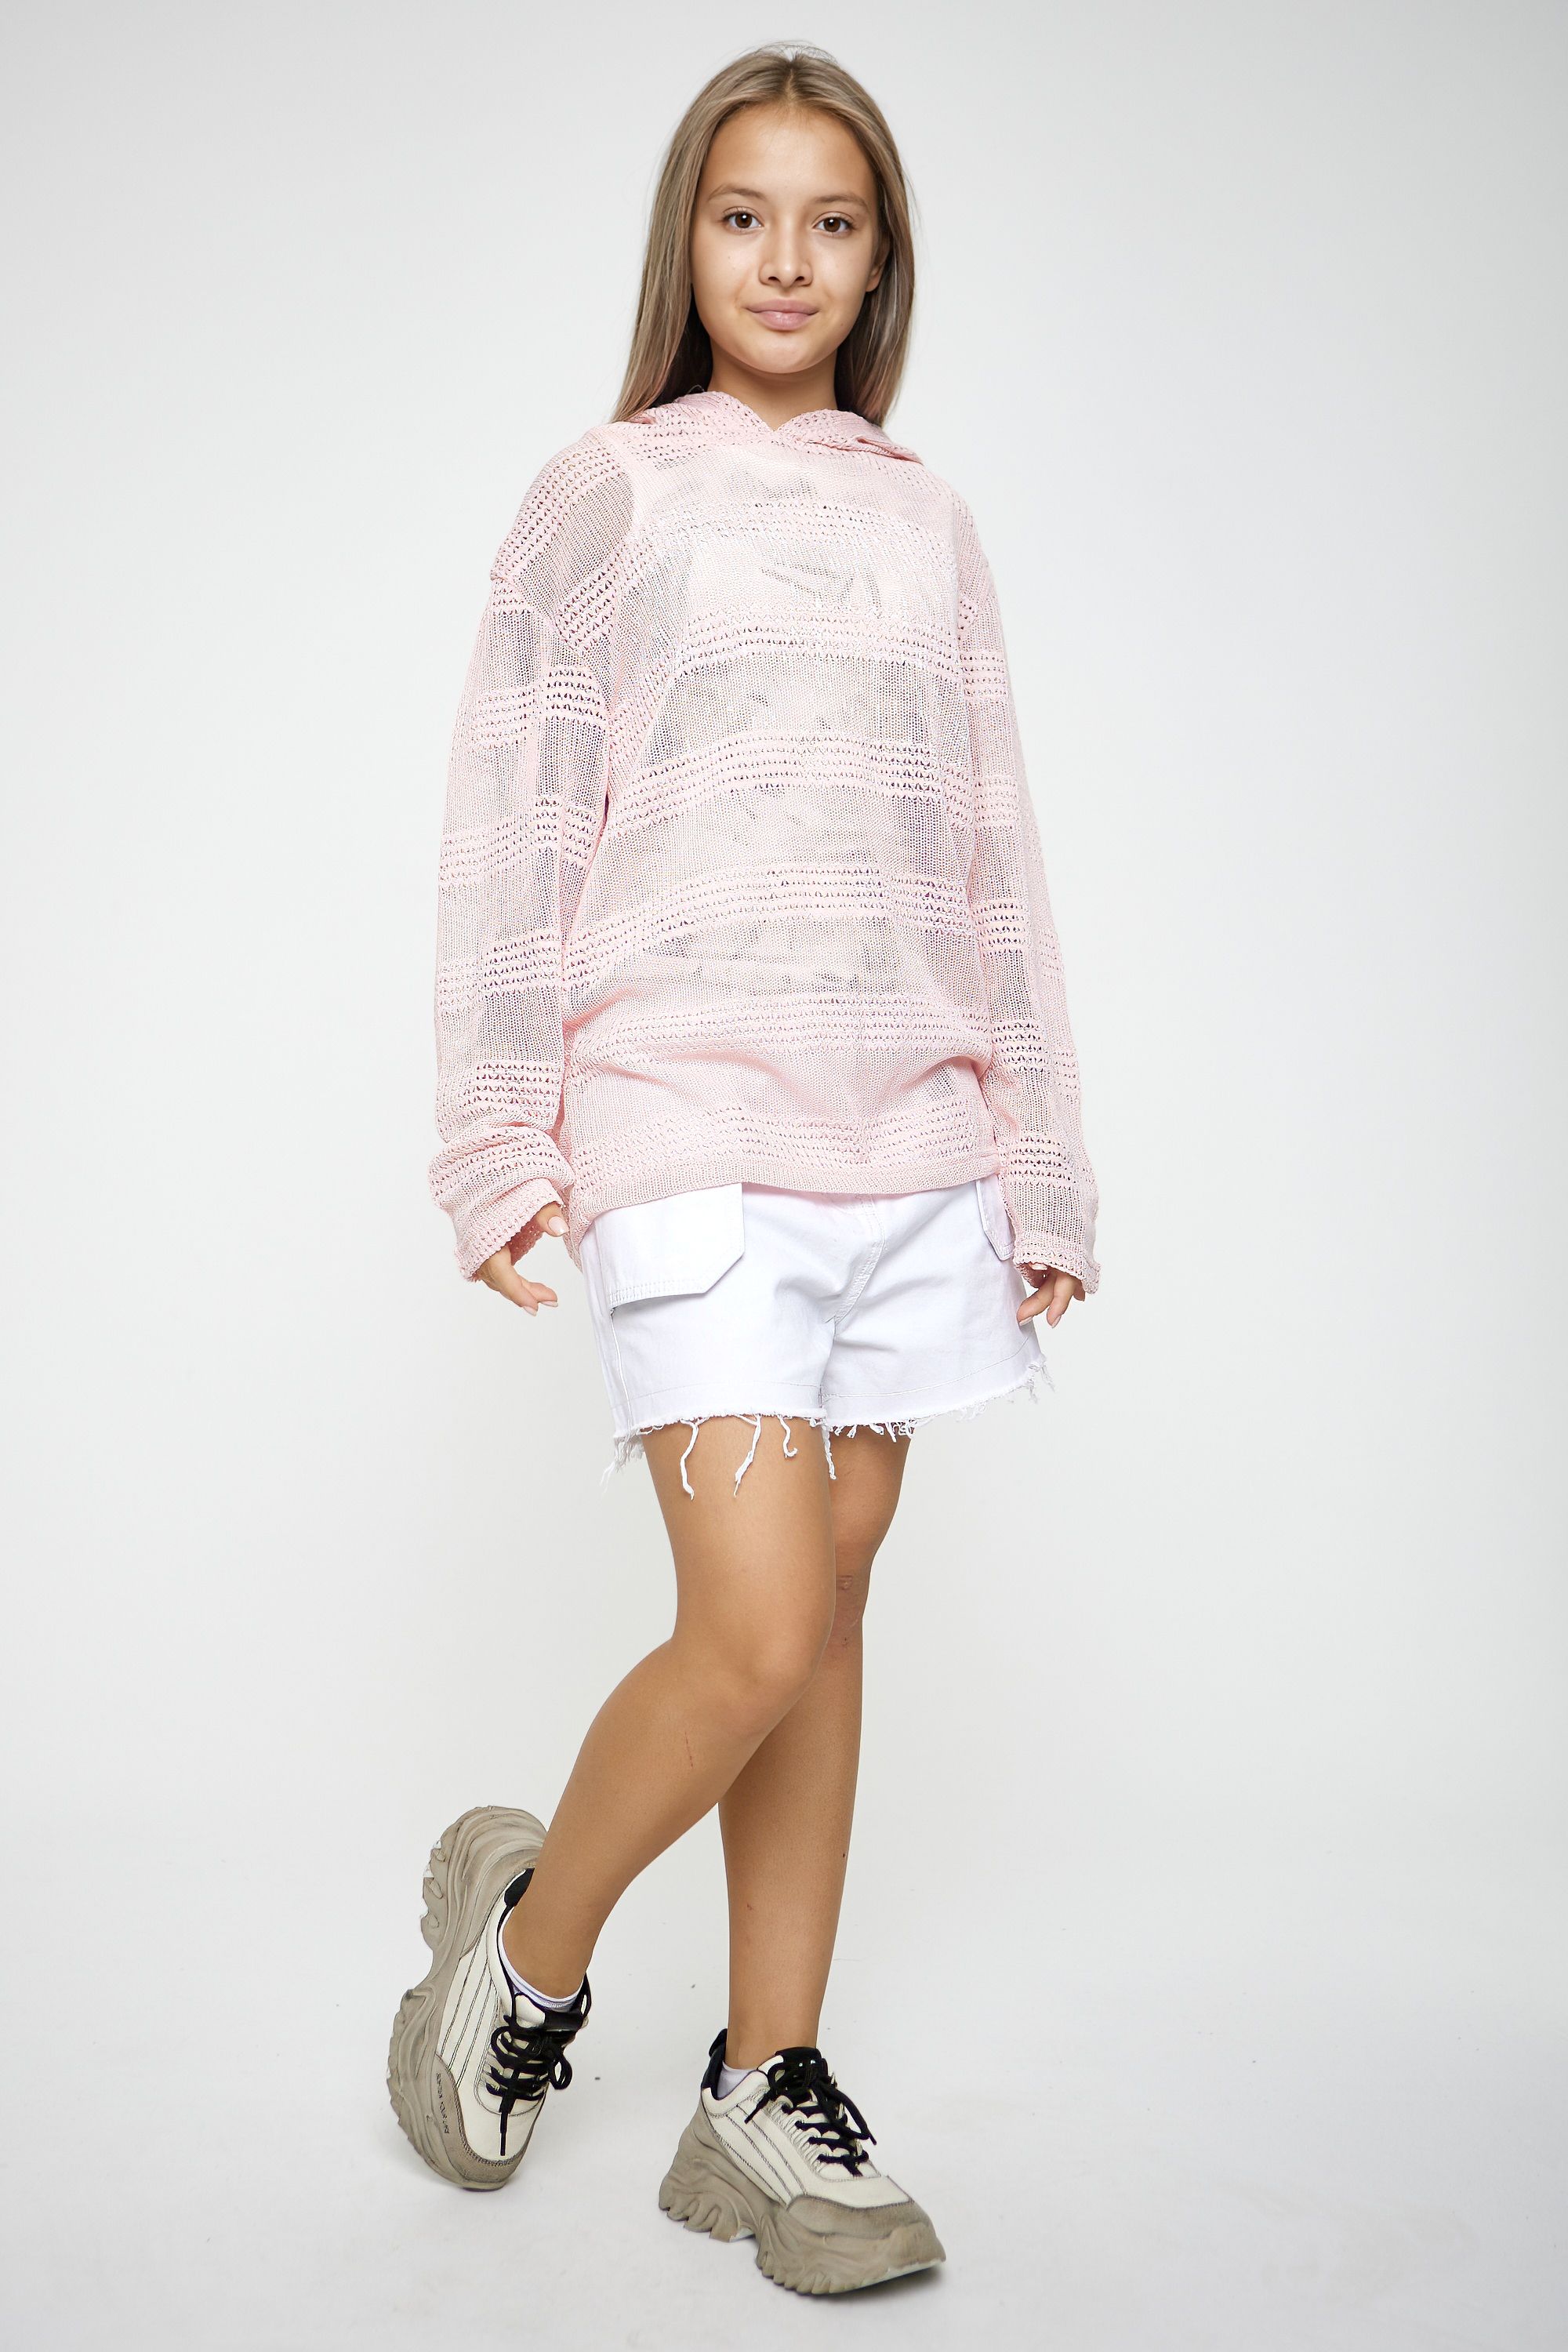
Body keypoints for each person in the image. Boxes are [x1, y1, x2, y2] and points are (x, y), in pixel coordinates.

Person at [387, 40, 1099, 2298]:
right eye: (743, 214)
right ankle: (526, 1957)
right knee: (757, 1619)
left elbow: (988, 849)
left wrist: (1040, 1162)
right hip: (683, 1113)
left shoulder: (929, 522)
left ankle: (762, 2084)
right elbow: (514, 817)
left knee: (835, 1607)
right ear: (684, 244)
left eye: (833, 221)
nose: (786, 260)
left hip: (910, 1134)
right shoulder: (606, 496)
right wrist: (499, 1135)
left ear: (881, 262)